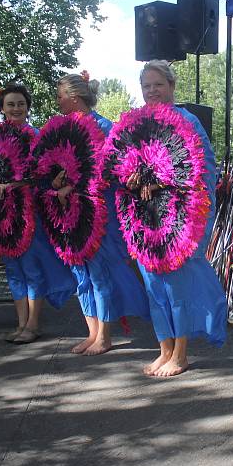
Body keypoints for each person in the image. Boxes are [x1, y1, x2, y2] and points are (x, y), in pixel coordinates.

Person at [134, 60, 227, 377]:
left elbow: (196, 171)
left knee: (176, 282)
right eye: (146, 85)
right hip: (146, 214)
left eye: (158, 84)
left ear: (172, 87)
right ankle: (164, 349)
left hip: (183, 216)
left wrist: (157, 182)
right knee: (152, 280)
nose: (152, 91)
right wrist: (133, 178)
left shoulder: (187, 122)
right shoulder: (140, 124)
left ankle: (181, 353)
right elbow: (126, 164)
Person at [55, 71, 150, 356]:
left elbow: (111, 170)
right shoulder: (61, 129)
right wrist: (58, 179)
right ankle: (92, 332)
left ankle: (104, 336)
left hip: (99, 213)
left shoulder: (104, 127)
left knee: (99, 272)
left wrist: (73, 184)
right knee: (80, 272)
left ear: (74, 97)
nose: (57, 101)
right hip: (70, 212)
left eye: (60, 96)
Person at [0, 83, 77, 344]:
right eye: (11, 104)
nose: (16, 109)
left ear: (27, 108)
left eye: (21, 104)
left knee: (31, 267)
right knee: (13, 269)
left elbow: (44, 176)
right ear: (2, 109)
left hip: (31, 214)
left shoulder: (38, 138)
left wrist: (15, 184)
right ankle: (21, 323)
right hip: (2, 215)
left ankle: (33, 324)